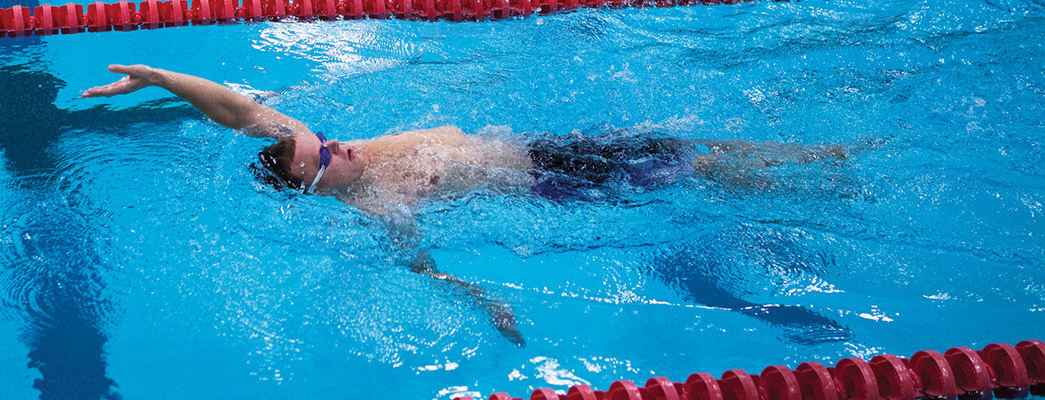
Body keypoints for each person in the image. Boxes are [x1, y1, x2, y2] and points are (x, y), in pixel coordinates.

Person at [82, 64, 849, 345]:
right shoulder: (377, 204)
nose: (342, 146)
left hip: (541, 143)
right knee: (692, 167)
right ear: (321, 187)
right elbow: (420, 268)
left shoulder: (318, 155)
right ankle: (812, 175)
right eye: (331, 156)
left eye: (330, 139)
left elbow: (239, 111)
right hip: (551, 184)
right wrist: (484, 303)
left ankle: (811, 166)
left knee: (681, 146)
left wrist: (154, 77)